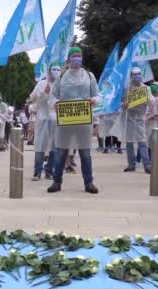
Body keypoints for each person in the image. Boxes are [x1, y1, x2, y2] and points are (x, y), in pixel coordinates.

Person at [47, 46, 101, 194]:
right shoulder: (61, 77)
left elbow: (98, 95)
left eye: (79, 56)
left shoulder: (89, 76)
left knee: (85, 153)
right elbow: (52, 97)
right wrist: (56, 104)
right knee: (61, 152)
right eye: (74, 56)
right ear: (69, 58)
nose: (77, 58)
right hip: (66, 121)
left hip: (84, 120)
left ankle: (89, 182)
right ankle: (56, 182)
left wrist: (93, 101)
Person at [30, 62, 60, 181]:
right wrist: (44, 93)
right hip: (43, 118)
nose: (56, 71)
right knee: (40, 145)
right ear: (49, 71)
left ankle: (49, 171)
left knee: (54, 146)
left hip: (56, 119)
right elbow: (32, 98)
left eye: (58, 69)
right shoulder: (41, 83)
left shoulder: (62, 85)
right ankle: (37, 171)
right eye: (54, 69)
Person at [121, 67, 151, 174]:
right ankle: (131, 164)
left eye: (138, 74)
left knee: (142, 142)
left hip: (140, 119)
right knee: (129, 143)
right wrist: (124, 104)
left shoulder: (146, 89)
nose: (137, 76)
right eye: (134, 74)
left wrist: (145, 98)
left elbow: (151, 102)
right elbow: (122, 103)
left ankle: (147, 165)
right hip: (129, 118)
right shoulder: (127, 89)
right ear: (131, 76)